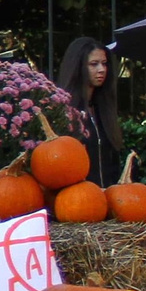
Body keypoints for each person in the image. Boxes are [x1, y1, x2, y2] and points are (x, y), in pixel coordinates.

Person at [55, 36, 126, 187]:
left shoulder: (104, 111)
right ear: (78, 67)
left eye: (104, 64)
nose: (101, 69)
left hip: (109, 198)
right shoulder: (63, 113)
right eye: (94, 64)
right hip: (77, 200)